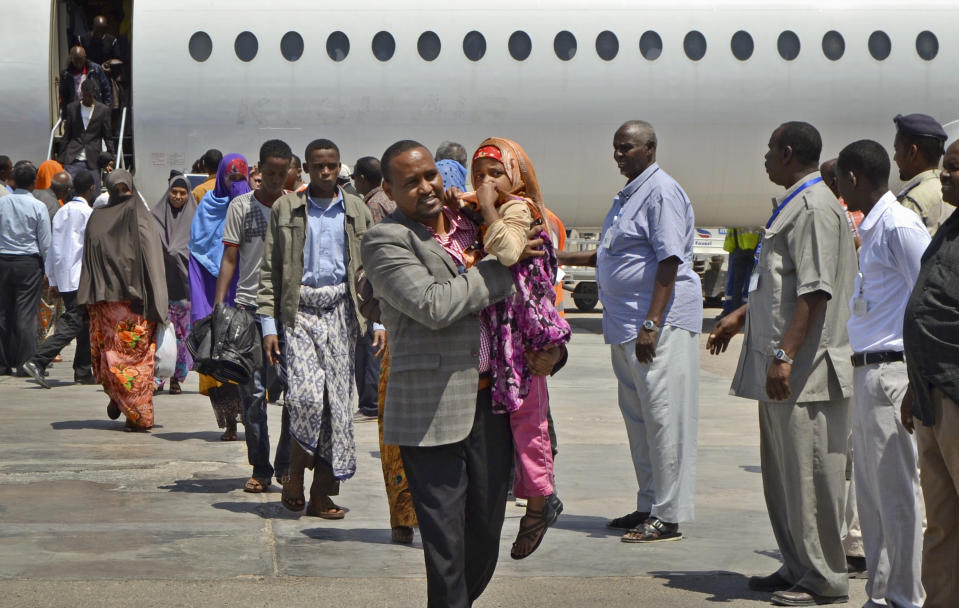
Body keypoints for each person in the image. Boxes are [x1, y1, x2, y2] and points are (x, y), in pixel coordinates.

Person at [361, 140, 557, 607]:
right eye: (411, 182)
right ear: (389, 189)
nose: (427, 187)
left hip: (493, 405)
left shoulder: (473, 220)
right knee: (444, 544)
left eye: (430, 174)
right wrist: (503, 264)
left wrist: (553, 352)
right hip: (430, 410)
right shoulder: (385, 240)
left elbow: (534, 298)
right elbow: (434, 304)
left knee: (485, 534)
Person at [708, 122, 857, 606]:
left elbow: (815, 293)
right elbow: (782, 287)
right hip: (786, 373)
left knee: (811, 477)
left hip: (805, 372)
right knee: (784, 479)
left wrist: (782, 355)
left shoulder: (813, 208)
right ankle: (797, 565)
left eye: (771, 150)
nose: (766, 158)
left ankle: (825, 579)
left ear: (788, 152)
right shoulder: (796, 202)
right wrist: (739, 318)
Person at [559, 120, 702, 543]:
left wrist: (651, 324)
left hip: (656, 325)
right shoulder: (629, 196)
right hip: (624, 326)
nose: (618, 155)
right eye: (616, 148)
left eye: (626, 148)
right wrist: (557, 253)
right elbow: (609, 255)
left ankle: (669, 515)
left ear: (650, 148)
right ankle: (650, 503)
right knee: (640, 419)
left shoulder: (661, 192)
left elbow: (669, 260)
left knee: (664, 418)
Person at [457, 137, 571, 559]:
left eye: (495, 174)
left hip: (526, 338)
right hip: (504, 339)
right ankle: (536, 500)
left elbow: (506, 251)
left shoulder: (517, 208)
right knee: (517, 423)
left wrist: (486, 207)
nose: (485, 182)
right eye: (479, 175)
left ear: (516, 177)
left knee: (530, 424)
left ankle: (540, 504)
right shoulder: (493, 207)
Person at [257, 138, 375, 518]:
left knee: (338, 406)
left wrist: (379, 321)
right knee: (306, 398)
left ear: (340, 168)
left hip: (342, 311)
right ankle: (293, 475)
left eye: (332, 166)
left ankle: (322, 493)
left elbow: (374, 269)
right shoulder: (286, 208)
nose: (326, 172)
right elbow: (270, 270)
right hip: (299, 313)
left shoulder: (356, 209)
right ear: (304, 169)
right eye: (317, 166)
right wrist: (268, 326)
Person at [836, 140, 928, 608]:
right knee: (871, 499)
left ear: (854, 178)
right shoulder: (873, 229)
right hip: (868, 374)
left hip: (893, 374)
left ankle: (906, 598)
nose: (838, 190)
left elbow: (928, 299)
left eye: (840, 180)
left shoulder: (899, 225)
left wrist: (919, 376)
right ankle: (881, 594)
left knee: (897, 497)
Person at [216, 140, 293, 493]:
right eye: (270, 173)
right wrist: (221, 306)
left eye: (283, 173)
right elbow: (230, 258)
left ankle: (286, 464)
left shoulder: (296, 207)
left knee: (294, 391)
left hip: (289, 311)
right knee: (253, 396)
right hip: (249, 310)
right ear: (258, 171)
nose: (277, 180)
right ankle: (261, 467)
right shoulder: (240, 207)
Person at [901, 138, 959, 608]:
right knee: (941, 521)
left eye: (955, 169)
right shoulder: (950, 226)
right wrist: (914, 385)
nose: (944, 176)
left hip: (956, 392)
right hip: (930, 393)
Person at [77, 170, 168, 431]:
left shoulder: (100, 220)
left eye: (125, 190)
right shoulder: (136, 217)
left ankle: (134, 412)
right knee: (119, 362)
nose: (123, 195)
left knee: (127, 363)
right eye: (118, 190)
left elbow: (152, 263)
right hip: (121, 307)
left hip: (125, 307)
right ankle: (129, 408)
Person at [189, 154, 250, 440]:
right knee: (217, 358)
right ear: (222, 177)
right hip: (215, 297)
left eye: (240, 178)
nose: (236, 184)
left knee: (248, 360)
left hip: (247, 296)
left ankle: (252, 419)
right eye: (231, 177)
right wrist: (203, 304)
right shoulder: (208, 208)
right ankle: (229, 422)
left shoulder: (254, 207)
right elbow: (198, 258)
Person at [22, 170, 97, 388]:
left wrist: (52, 279)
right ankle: (38, 360)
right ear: (92, 189)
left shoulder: (62, 212)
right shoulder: (88, 213)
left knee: (84, 323)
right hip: (81, 278)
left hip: (65, 277)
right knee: (74, 322)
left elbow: (54, 247)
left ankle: (83, 371)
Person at [349, 155, 392, 421]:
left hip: (374, 285)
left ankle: (369, 404)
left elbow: (374, 252)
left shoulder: (373, 206)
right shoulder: (387, 200)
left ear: (363, 179)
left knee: (370, 345)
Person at [0, 162, 51, 376]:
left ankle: (2, 363)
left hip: (2, 261)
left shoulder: (2, 203)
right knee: (26, 314)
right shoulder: (38, 206)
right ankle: (25, 363)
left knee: (2, 313)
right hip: (28, 263)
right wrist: (49, 271)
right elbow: (46, 243)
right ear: (33, 183)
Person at [151, 174, 197, 395]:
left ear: (188, 195)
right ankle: (159, 376)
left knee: (181, 337)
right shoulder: (155, 217)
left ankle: (177, 379)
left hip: (186, 292)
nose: (178, 196)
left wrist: (178, 253)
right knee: (161, 335)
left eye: (182, 193)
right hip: (161, 290)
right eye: (174, 192)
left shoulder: (196, 219)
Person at [893, 113, 951, 235]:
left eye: (897, 150)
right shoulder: (950, 190)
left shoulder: (913, 201)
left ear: (912, 152)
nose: (895, 158)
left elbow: (902, 251)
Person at [60, 78, 115, 195]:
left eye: (90, 96)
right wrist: (61, 158)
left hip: (93, 159)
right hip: (73, 158)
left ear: (94, 94)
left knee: (94, 193)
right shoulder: (72, 108)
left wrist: (111, 158)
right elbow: (67, 135)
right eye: (85, 95)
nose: (88, 98)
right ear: (82, 93)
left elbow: (107, 136)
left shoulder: (103, 110)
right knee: (70, 192)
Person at [58, 46, 112, 114]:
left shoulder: (96, 69)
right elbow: (64, 96)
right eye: (76, 60)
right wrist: (65, 116)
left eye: (80, 60)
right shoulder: (65, 74)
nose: (78, 63)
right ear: (71, 59)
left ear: (85, 57)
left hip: (94, 111)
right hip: (76, 112)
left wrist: (106, 110)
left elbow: (106, 90)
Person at [721, 228, 760, 315]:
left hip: (739, 250)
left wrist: (729, 247)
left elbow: (731, 232)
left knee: (737, 283)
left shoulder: (738, 219)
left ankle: (735, 311)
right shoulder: (757, 219)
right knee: (752, 282)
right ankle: (749, 310)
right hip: (754, 251)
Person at [352, 156, 395, 224]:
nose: (353, 181)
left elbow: (377, 234)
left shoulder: (372, 205)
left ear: (361, 179)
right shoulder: (388, 197)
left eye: (353, 177)